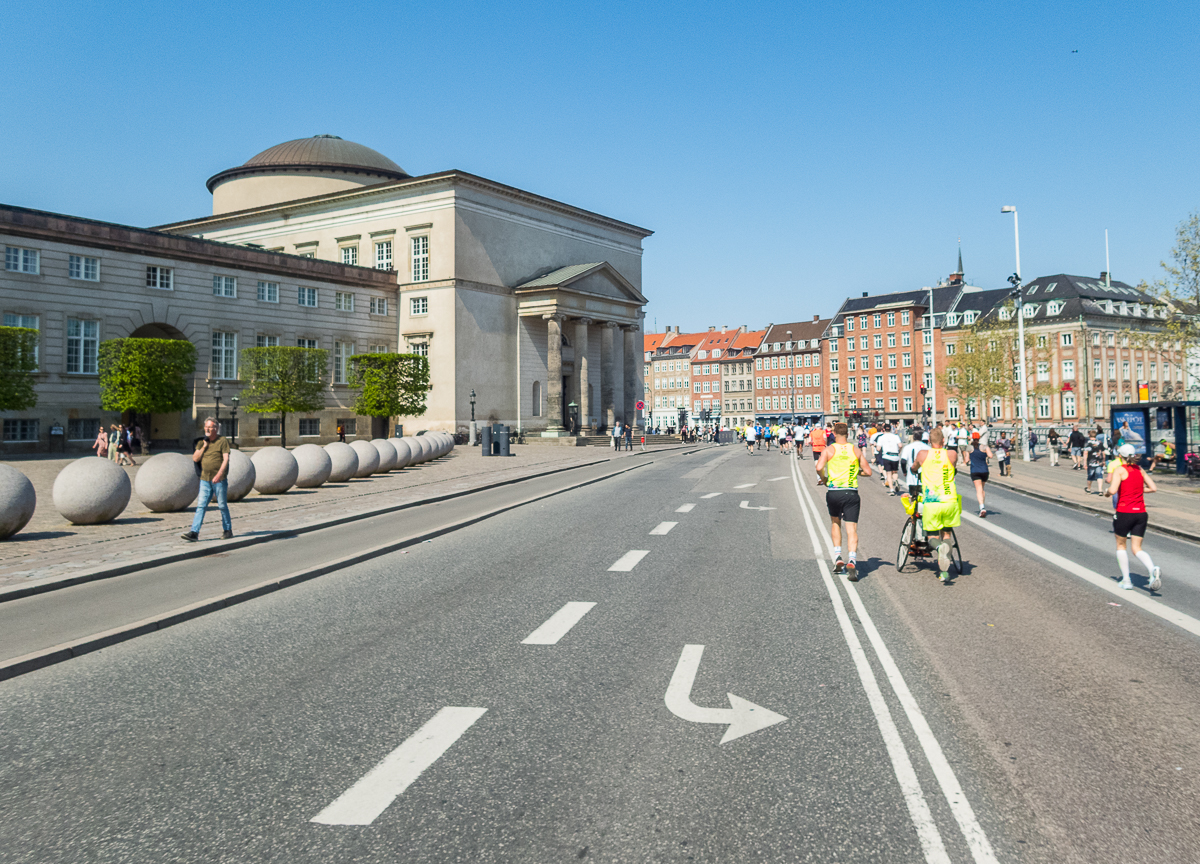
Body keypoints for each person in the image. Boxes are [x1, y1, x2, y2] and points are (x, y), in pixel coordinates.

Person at [815, 421, 873, 580]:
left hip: (834, 492)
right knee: (851, 528)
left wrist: (824, 478)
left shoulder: (829, 450)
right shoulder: (855, 450)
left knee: (835, 523)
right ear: (848, 434)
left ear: (833, 434)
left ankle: (838, 556)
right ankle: (852, 559)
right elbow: (868, 472)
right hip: (851, 492)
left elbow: (819, 467)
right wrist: (856, 473)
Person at [1108, 443, 1162, 591]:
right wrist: (1137, 489)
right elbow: (1153, 488)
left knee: (1121, 546)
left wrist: (1107, 492)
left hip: (1125, 512)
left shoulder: (1120, 470)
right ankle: (1152, 569)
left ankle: (1126, 580)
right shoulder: (1140, 470)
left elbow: (1112, 490)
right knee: (1137, 548)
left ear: (1120, 456)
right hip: (1141, 514)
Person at [914, 427, 962, 583]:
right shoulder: (952, 454)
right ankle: (944, 572)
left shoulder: (922, 454)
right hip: (949, 500)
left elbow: (914, 468)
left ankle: (939, 549)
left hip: (932, 502)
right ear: (944, 440)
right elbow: (953, 469)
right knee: (946, 534)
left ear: (929, 441)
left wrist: (915, 469)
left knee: (932, 537)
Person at [181, 417, 233, 542]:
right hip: (205, 479)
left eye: (210, 427)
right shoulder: (201, 442)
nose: (208, 429)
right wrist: (204, 446)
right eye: (206, 427)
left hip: (219, 480)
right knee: (201, 506)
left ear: (216, 428)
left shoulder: (222, 441)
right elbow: (195, 458)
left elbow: (226, 459)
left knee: (222, 505)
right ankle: (194, 533)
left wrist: (219, 474)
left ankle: (227, 530)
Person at [968, 433, 993, 517]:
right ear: (979, 438)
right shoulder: (985, 447)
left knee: (978, 490)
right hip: (984, 470)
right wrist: (985, 457)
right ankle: (983, 505)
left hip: (975, 470)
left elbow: (966, 459)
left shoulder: (969, 448)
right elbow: (990, 455)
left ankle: (982, 508)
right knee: (982, 489)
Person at [876, 423, 902, 495]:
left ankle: (891, 489)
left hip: (886, 456)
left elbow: (878, 448)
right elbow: (900, 445)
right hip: (895, 455)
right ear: (890, 429)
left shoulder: (881, 437)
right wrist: (898, 452)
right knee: (895, 472)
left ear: (883, 429)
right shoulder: (895, 436)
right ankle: (896, 480)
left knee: (889, 473)